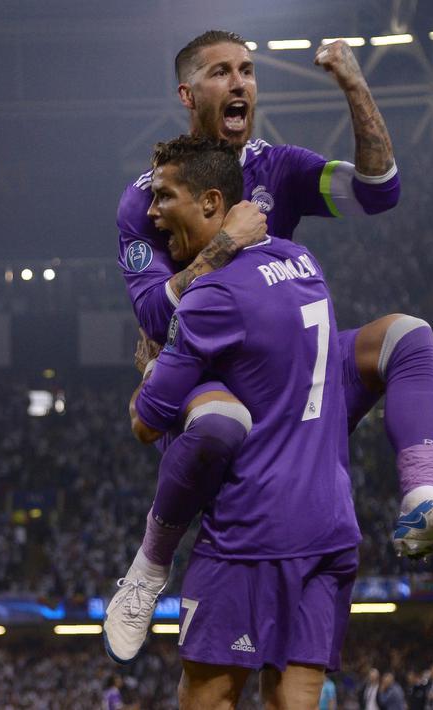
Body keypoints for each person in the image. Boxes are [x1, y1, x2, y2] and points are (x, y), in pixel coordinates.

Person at [105, 28, 433, 661]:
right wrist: (222, 246)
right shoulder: (147, 197)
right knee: (224, 423)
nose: (240, 83)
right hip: (207, 374)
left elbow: (379, 191)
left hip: (289, 370)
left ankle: (422, 499)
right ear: (188, 92)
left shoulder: (275, 168)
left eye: (249, 71)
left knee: (407, 337)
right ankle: (149, 568)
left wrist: (354, 84)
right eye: (223, 72)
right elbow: (151, 311)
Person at [126, 135, 360, 707]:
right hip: (330, 525)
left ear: (211, 203)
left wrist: (150, 369)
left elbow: (147, 422)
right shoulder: (300, 260)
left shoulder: (211, 297)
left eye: (163, 197)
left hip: (250, 535)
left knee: (208, 697)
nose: (152, 213)